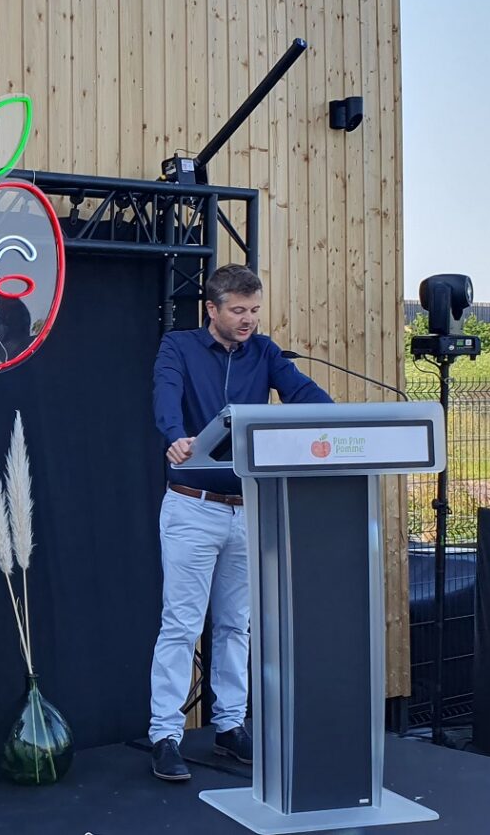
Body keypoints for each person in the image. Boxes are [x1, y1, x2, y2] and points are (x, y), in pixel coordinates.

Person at [147, 264, 333, 782]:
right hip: (193, 506)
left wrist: (339, 422)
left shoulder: (267, 352)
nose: (249, 319)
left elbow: (301, 393)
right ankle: (165, 734)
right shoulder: (178, 346)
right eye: (238, 311)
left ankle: (230, 727)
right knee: (181, 625)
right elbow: (165, 394)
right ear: (212, 309)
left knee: (235, 625)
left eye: (254, 309)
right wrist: (175, 434)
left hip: (249, 510)